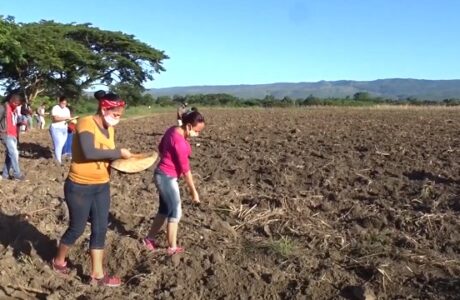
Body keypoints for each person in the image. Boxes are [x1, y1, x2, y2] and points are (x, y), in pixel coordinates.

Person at [52, 90, 132, 287]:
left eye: (120, 114)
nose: (118, 118)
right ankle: (58, 261)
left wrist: (122, 164)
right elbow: (88, 152)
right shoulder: (86, 122)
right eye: (115, 114)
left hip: (101, 186)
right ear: (104, 108)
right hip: (79, 186)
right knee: (77, 228)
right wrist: (118, 152)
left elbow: (106, 156)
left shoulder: (110, 129)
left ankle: (97, 274)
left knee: (100, 228)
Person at [143, 109, 205, 255]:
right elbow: (186, 170)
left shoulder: (172, 130)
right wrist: (194, 192)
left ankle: (149, 239)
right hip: (166, 177)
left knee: (164, 210)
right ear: (189, 126)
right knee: (175, 210)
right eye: (197, 131)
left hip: (162, 174)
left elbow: (160, 148)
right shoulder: (180, 143)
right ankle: (172, 248)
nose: (198, 134)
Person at [0, 93, 25, 181]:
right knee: (14, 153)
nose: (16, 105)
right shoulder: (3, 108)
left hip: (13, 135)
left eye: (18, 104)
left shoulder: (14, 110)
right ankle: (17, 174)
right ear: (11, 100)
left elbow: (13, 122)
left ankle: (5, 175)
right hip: (5, 134)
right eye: (15, 103)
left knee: (10, 155)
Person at [50, 96, 71, 164]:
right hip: (56, 128)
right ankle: (58, 160)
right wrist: (65, 118)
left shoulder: (67, 109)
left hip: (64, 128)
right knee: (58, 144)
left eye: (65, 103)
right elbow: (55, 119)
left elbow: (68, 119)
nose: (63, 105)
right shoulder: (55, 108)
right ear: (59, 102)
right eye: (62, 103)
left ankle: (59, 156)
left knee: (62, 144)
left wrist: (71, 120)